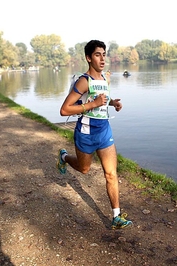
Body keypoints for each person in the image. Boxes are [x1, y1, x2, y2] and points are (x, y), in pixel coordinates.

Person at [57, 40, 132, 230]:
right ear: (88, 58)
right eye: (98, 55)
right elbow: (65, 110)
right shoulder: (83, 81)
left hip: (104, 131)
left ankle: (116, 216)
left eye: (104, 54)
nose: (102, 58)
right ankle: (64, 157)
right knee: (84, 169)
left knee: (111, 174)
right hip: (86, 132)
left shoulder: (105, 79)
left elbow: (101, 99)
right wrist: (93, 104)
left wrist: (112, 102)